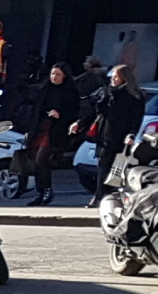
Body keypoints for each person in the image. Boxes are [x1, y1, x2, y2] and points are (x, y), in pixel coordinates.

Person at [81, 64, 149, 195]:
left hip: (122, 135)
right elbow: (97, 112)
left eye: (116, 77)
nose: (113, 79)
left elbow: (136, 117)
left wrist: (132, 134)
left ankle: (109, 193)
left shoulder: (134, 95)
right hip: (105, 132)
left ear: (124, 78)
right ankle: (99, 195)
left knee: (116, 165)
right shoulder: (107, 92)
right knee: (102, 163)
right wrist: (80, 122)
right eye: (112, 76)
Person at [25, 63, 76, 205]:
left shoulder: (69, 92)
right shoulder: (44, 89)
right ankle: (40, 192)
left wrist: (60, 115)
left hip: (54, 130)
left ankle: (47, 190)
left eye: (58, 74)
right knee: (36, 161)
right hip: (40, 128)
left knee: (42, 159)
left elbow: (74, 112)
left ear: (64, 76)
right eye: (52, 74)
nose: (54, 77)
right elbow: (35, 111)